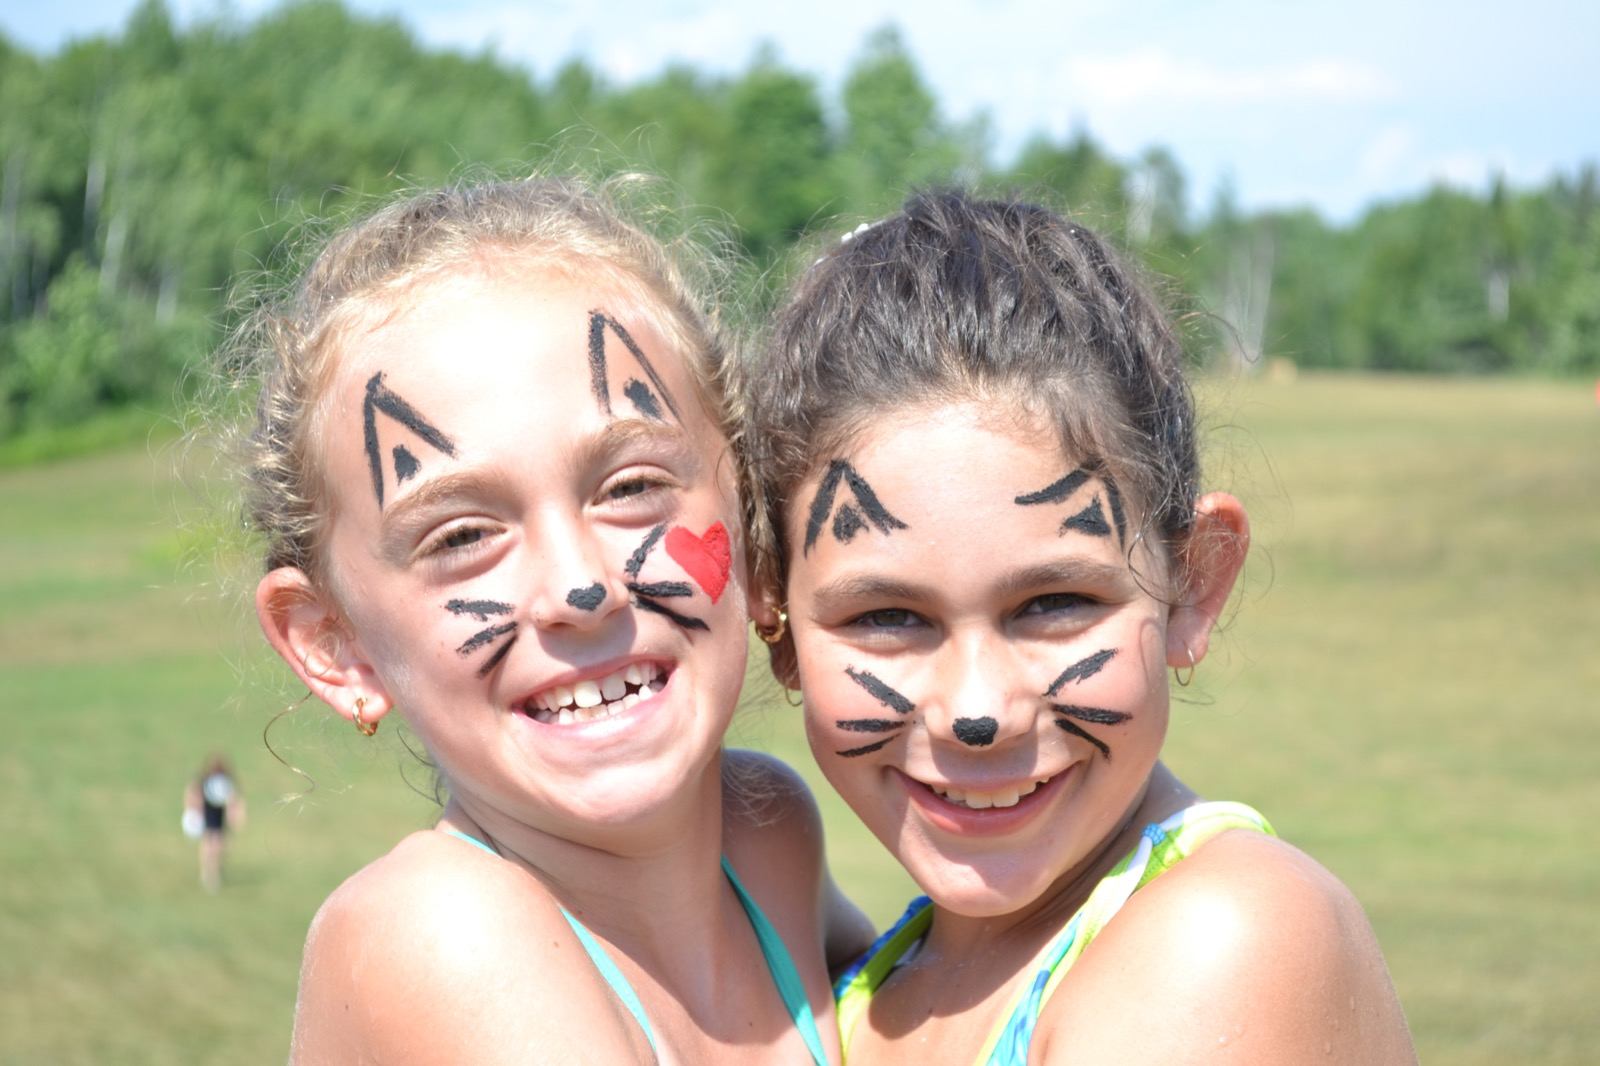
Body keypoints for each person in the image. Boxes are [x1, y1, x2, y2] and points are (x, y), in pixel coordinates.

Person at [744, 191, 1417, 1064]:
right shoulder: (870, 987)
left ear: (1193, 581)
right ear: (776, 618)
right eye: (887, 617)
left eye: (1054, 604)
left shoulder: (1223, 941)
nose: (977, 711)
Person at [224, 176, 870, 1063]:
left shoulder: (766, 835)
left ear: (758, 530)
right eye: (461, 534)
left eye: (632, 487)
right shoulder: (441, 934)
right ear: (334, 646)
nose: (579, 586)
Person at [184, 753, 246, 892]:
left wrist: (235, 815)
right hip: (208, 816)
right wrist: (193, 811)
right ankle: (207, 872)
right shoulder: (204, 780)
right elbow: (193, 794)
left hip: (219, 817)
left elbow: (233, 800)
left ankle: (214, 870)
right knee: (208, 844)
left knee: (219, 845)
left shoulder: (226, 781)